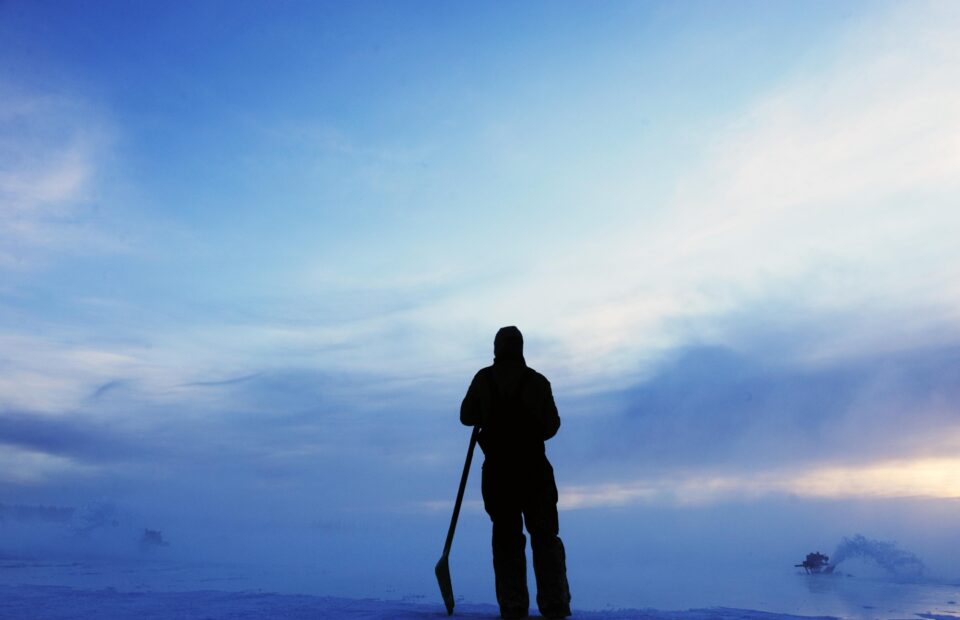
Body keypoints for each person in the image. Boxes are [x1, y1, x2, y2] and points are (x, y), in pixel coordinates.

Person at [460, 326, 571, 619]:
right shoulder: (538, 382)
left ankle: (512, 605)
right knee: (545, 536)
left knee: (506, 536)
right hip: (535, 471)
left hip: (498, 473)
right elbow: (552, 426)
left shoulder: (484, 379)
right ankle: (555, 603)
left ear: (497, 348)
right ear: (520, 348)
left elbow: (465, 416)